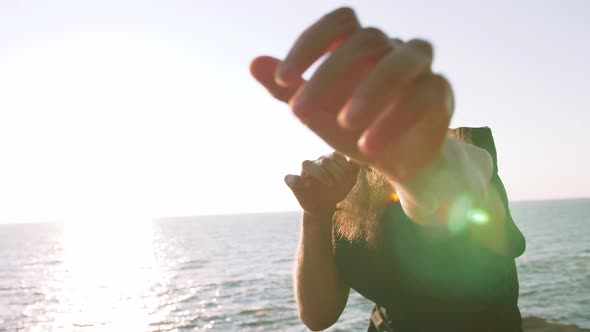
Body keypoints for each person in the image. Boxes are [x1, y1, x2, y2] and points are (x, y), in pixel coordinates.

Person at [250, 7, 526, 332]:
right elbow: (318, 316)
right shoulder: (343, 187)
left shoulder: (465, 151)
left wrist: (424, 169)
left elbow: (454, 186)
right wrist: (316, 214)